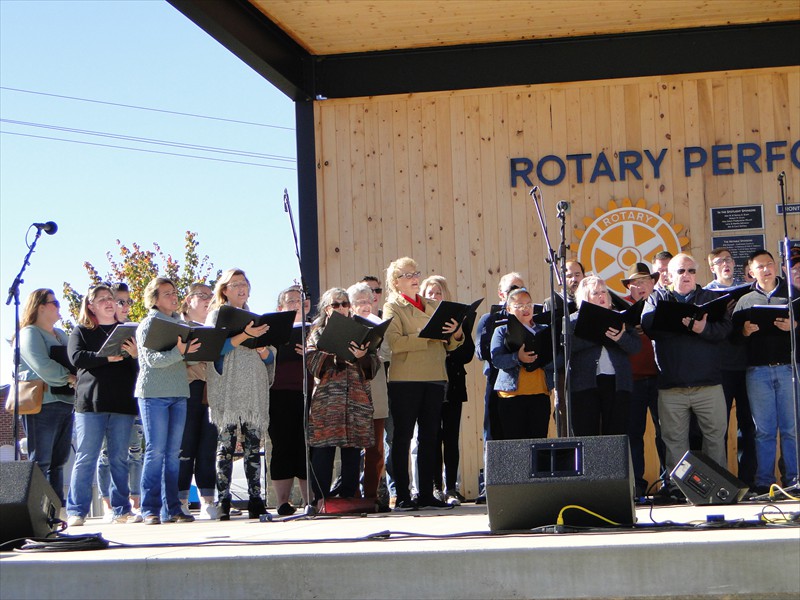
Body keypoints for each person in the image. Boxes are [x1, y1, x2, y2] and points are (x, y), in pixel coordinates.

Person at [641, 253, 731, 493]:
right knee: (674, 443)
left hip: (708, 385)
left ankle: (717, 488)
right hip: (672, 387)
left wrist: (702, 328)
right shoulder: (657, 298)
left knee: (715, 439)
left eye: (691, 271)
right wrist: (686, 325)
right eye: (681, 271)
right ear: (668, 275)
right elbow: (650, 327)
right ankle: (678, 490)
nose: (687, 276)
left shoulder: (711, 298)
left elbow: (724, 330)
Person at [383, 257, 464, 510]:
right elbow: (395, 343)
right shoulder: (392, 307)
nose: (415, 277)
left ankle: (427, 493)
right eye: (408, 274)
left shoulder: (432, 305)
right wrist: (428, 336)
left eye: (416, 272)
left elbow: (450, 344)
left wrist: (456, 333)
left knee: (430, 437)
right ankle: (404, 495)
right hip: (404, 380)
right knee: (403, 438)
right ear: (396, 282)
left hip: (435, 377)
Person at [66, 284, 140, 526]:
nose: (109, 303)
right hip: (91, 404)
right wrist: (106, 357)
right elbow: (76, 357)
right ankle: (77, 510)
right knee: (86, 457)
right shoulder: (82, 331)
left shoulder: (128, 331)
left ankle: (122, 510)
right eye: (102, 300)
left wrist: (136, 355)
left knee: (120, 458)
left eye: (112, 299)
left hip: (122, 403)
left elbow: (137, 370)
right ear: (91, 306)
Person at [205, 268, 275, 520]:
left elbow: (270, 357)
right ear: (224, 289)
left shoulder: (258, 317)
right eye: (235, 284)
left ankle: (256, 499)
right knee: (226, 446)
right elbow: (213, 347)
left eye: (244, 283)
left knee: (253, 446)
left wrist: (264, 351)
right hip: (228, 387)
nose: (241, 288)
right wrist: (244, 335)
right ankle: (223, 499)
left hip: (254, 388)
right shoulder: (216, 315)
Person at [732, 249, 799, 494]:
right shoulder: (744, 301)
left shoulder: (793, 296)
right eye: (760, 266)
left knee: (792, 428)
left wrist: (795, 326)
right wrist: (744, 332)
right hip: (757, 372)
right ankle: (764, 482)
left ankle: (794, 480)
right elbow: (733, 339)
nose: (766, 269)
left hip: (789, 369)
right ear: (751, 272)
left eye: (770, 264)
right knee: (764, 431)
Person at [135, 277, 200, 525]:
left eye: (174, 292)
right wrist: (180, 352)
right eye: (167, 294)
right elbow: (153, 360)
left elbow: (184, 360)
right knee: (155, 451)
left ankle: (172, 508)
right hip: (153, 394)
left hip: (179, 392)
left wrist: (195, 351)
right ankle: (149, 508)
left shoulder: (180, 324)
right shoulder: (147, 325)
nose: (174, 297)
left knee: (173, 453)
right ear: (154, 299)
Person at [306, 288, 379, 506]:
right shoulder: (317, 334)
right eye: (335, 305)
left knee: (353, 450)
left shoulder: (362, 330)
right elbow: (311, 362)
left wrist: (362, 357)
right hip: (327, 403)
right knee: (323, 450)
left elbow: (373, 367)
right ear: (326, 309)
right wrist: (337, 358)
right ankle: (320, 499)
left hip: (356, 400)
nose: (341, 308)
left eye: (344, 304)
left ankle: (349, 497)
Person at [17, 288, 76, 506]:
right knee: (41, 460)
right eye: (55, 303)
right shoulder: (29, 333)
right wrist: (69, 378)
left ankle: (56, 511)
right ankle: (37, 511)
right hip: (42, 404)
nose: (59, 307)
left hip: (65, 402)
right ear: (41, 307)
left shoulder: (60, 334)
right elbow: (41, 364)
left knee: (58, 462)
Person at [420, 275, 475, 505]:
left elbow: (467, 355)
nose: (434, 296)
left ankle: (451, 487)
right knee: (430, 438)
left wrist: (458, 334)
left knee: (451, 438)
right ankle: (434, 487)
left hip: (451, 386)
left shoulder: (458, 320)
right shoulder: (418, 319)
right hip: (428, 385)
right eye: (430, 293)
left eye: (438, 292)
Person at [704, 248, 756, 488]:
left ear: (734, 264)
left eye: (728, 260)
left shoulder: (748, 292)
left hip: (746, 364)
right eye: (718, 262)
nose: (724, 264)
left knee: (748, 425)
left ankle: (748, 480)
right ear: (712, 268)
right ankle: (721, 481)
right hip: (718, 367)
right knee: (719, 427)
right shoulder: (706, 294)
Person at [569, 276, 640, 436]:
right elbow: (567, 347)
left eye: (604, 292)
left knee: (616, 433)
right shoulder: (572, 320)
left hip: (617, 382)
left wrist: (620, 338)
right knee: (587, 434)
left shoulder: (620, 317)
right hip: (585, 384)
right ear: (584, 297)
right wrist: (599, 334)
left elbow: (636, 347)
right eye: (595, 293)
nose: (601, 296)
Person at [97, 281, 143, 519]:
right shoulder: (98, 331)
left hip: (132, 401)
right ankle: (108, 504)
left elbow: (140, 370)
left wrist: (136, 356)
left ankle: (133, 501)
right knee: (107, 454)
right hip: (106, 402)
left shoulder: (133, 330)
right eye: (121, 302)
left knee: (134, 452)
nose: (125, 307)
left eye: (128, 302)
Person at [621, 263, 667, 496]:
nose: (640, 286)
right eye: (635, 283)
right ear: (629, 287)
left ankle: (668, 482)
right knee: (633, 433)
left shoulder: (663, 305)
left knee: (665, 433)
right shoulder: (621, 309)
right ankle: (636, 485)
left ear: (653, 283)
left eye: (645, 281)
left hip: (661, 379)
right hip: (632, 381)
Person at [177, 282, 219, 520]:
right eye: (202, 295)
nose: (207, 300)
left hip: (211, 389)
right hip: (186, 389)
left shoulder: (214, 327)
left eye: (210, 296)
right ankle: (181, 499)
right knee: (186, 445)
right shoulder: (177, 326)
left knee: (208, 447)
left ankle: (208, 500)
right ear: (188, 299)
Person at [268, 285, 310, 516]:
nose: (297, 305)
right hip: (279, 392)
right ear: (280, 307)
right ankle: (282, 502)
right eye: (291, 301)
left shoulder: (315, 329)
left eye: (301, 301)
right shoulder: (273, 329)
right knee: (283, 446)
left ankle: (309, 501)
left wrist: (310, 353)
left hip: (308, 392)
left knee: (306, 446)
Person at [489, 287, 552, 440]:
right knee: (515, 445)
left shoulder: (545, 330)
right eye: (519, 305)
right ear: (509, 309)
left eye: (529, 304)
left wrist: (542, 360)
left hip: (540, 394)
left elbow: (557, 358)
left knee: (539, 443)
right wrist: (517, 357)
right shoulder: (501, 331)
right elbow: (496, 359)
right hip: (511, 396)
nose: (526, 308)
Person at [348, 282, 390, 509]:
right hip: (353, 394)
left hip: (375, 390)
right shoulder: (345, 326)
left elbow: (388, 353)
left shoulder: (381, 324)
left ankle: (372, 495)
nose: (364, 306)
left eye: (367, 301)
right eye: (359, 302)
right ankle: (353, 496)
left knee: (376, 449)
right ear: (352, 306)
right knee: (353, 449)